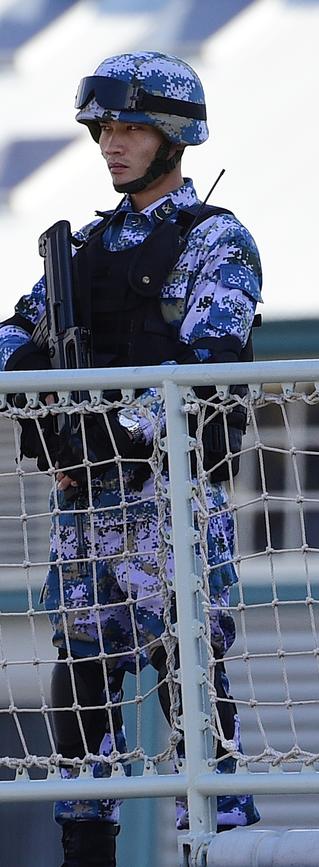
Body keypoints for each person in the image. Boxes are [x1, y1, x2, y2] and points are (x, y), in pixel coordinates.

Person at [0, 51, 261, 866]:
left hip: (168, 495)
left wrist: (112, 432)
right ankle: (85, 841)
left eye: (132, 128)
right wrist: (46, 417)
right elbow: (16, 336)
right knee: (79, 682)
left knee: (189, 673)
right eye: (105, 128)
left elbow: (208, 356)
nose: (113, 144)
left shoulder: (216, 240)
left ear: (174, 135)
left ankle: (221, 839)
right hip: (84, 503)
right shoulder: (77, 251)